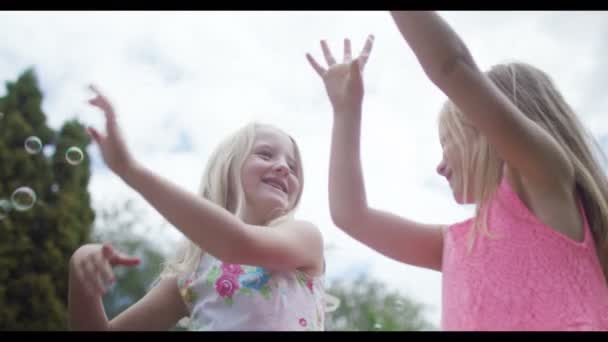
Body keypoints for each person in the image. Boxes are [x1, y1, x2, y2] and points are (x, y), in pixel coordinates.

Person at [306, 11, 608, 330]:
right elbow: (350, 215)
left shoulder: (545, 180)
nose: (439, 166)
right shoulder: (454, 244)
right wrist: (345, 111)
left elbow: (452, 66)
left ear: (486, 132)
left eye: (448, 141)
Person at [68, 85, 330, 331]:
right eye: (265, 154)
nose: (284, 167)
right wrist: (81, 271)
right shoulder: (192, 274)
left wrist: (131, 171)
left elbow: (237, 244)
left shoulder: (305, 237)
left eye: (293, 167)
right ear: (226, 169)